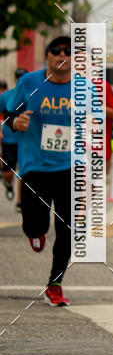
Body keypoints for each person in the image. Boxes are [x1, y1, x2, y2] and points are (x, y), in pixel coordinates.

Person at [5, 37, 75, 306]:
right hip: (35, 166)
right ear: (46, 56)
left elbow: (97, 123)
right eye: (56, 51)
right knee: (34, 225)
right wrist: (17, 122)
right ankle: (36, 231)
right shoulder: (29, 83)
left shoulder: (84, 89)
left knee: (67, 227)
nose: (62, 55)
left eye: (68, 52)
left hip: (70, 167)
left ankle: (55, 283)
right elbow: (9, 116)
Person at [0, 67, 27, 208]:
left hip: (26, 140)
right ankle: (8, 185)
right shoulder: (5, 96)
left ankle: (20, 201)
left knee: (24, 171)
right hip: (9, 139)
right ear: (15, 79)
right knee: (8, 173)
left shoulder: (32, 95)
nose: (21, 80)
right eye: (19, 77)